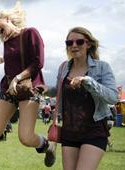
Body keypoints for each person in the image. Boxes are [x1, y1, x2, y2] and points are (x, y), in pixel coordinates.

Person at [37, 27, 118, 170]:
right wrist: (46, 89)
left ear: (88, 44)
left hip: (94, 130)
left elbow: (112, 97)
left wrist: (88, 81)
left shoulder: (102, 67)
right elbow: (59, 90)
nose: (74, 45)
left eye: (79, 42)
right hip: (69, 132)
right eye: (69, 43)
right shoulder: (63, 67)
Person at [0, 2, 56, 167]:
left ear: (8, 18)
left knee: (25, 138)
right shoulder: (6, 43)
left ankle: (47, 145)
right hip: (9, 90)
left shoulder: (30, 33)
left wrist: (18, 77)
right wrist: (5, 60)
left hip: (29, 89)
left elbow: (38, 62)